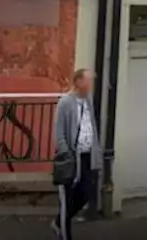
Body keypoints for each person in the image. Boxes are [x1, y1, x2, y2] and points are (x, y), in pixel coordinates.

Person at [53, 69, 102, 239]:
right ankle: (65, 234)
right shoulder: (65, 102)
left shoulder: (88, 101)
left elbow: (92, 127)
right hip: (72, 158)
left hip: (87, 156)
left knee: (86, 194)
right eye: (88, 81)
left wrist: (96, 152)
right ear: (79, 82)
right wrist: (66, 152)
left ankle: (59, 221)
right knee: (68, 198)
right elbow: (59, 132)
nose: (91, 85)